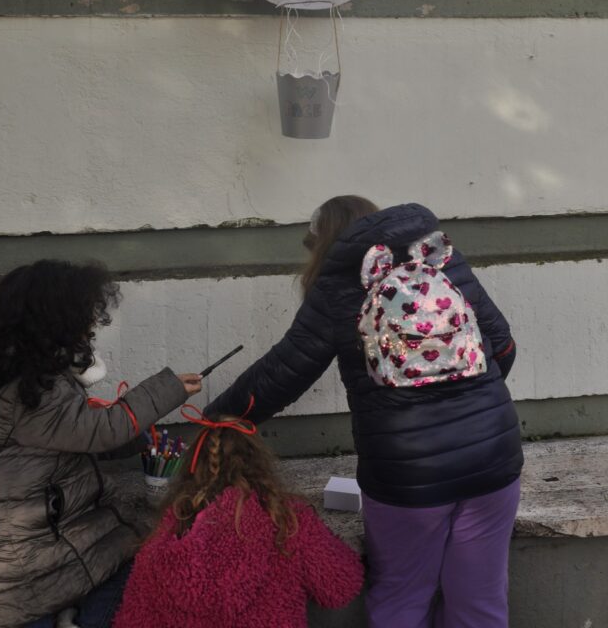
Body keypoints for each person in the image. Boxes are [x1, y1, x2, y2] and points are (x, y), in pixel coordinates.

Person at [207, 197, 523, 628]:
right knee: (480, 599)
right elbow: (501, 344)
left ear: (323, 245)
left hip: (405, 473)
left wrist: (217, 418)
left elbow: (281, 374)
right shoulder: (439, 258)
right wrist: (472, 408)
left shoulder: (339, 286)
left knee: (402, 596)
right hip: (495, 456)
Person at [0, 259, 202, 628]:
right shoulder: (33, 395)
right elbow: (102, 429)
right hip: (28, 564)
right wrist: (168, 390)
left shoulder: (24, 385)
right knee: (131, 564)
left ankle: (71, 611)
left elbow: (77, 436)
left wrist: (136, 440)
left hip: (49, 538)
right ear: (54, 324)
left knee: (130, 553)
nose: (90, 328)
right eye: (84, 318)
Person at [112, 402, 364, 628]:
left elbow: (131, 619)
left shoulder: (161, 541)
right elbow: (342, 585)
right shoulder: (287, 522)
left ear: (191, 468)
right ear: (259, 462)